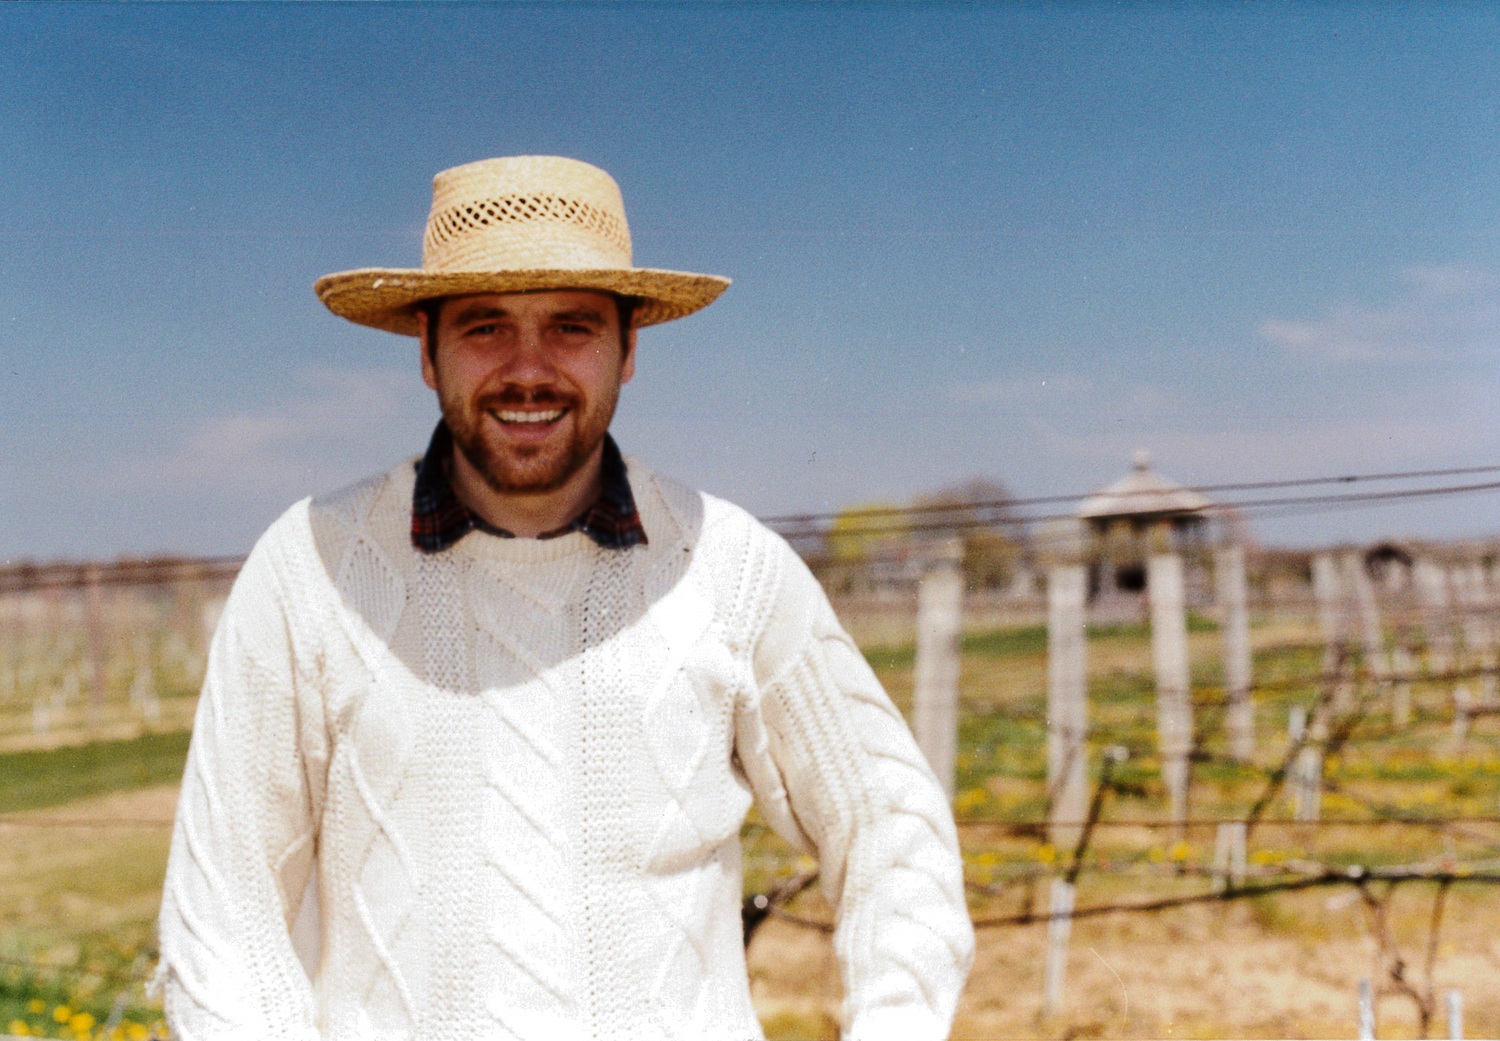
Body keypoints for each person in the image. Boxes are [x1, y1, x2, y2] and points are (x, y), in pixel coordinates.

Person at [155, 155, 974, 1040]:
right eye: (485, 327)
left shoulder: (732, 567)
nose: (528, 369)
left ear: (630, 350)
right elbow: (221, 921)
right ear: (426, 353)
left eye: (572, 327)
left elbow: (893, 829)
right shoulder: (309, 568)